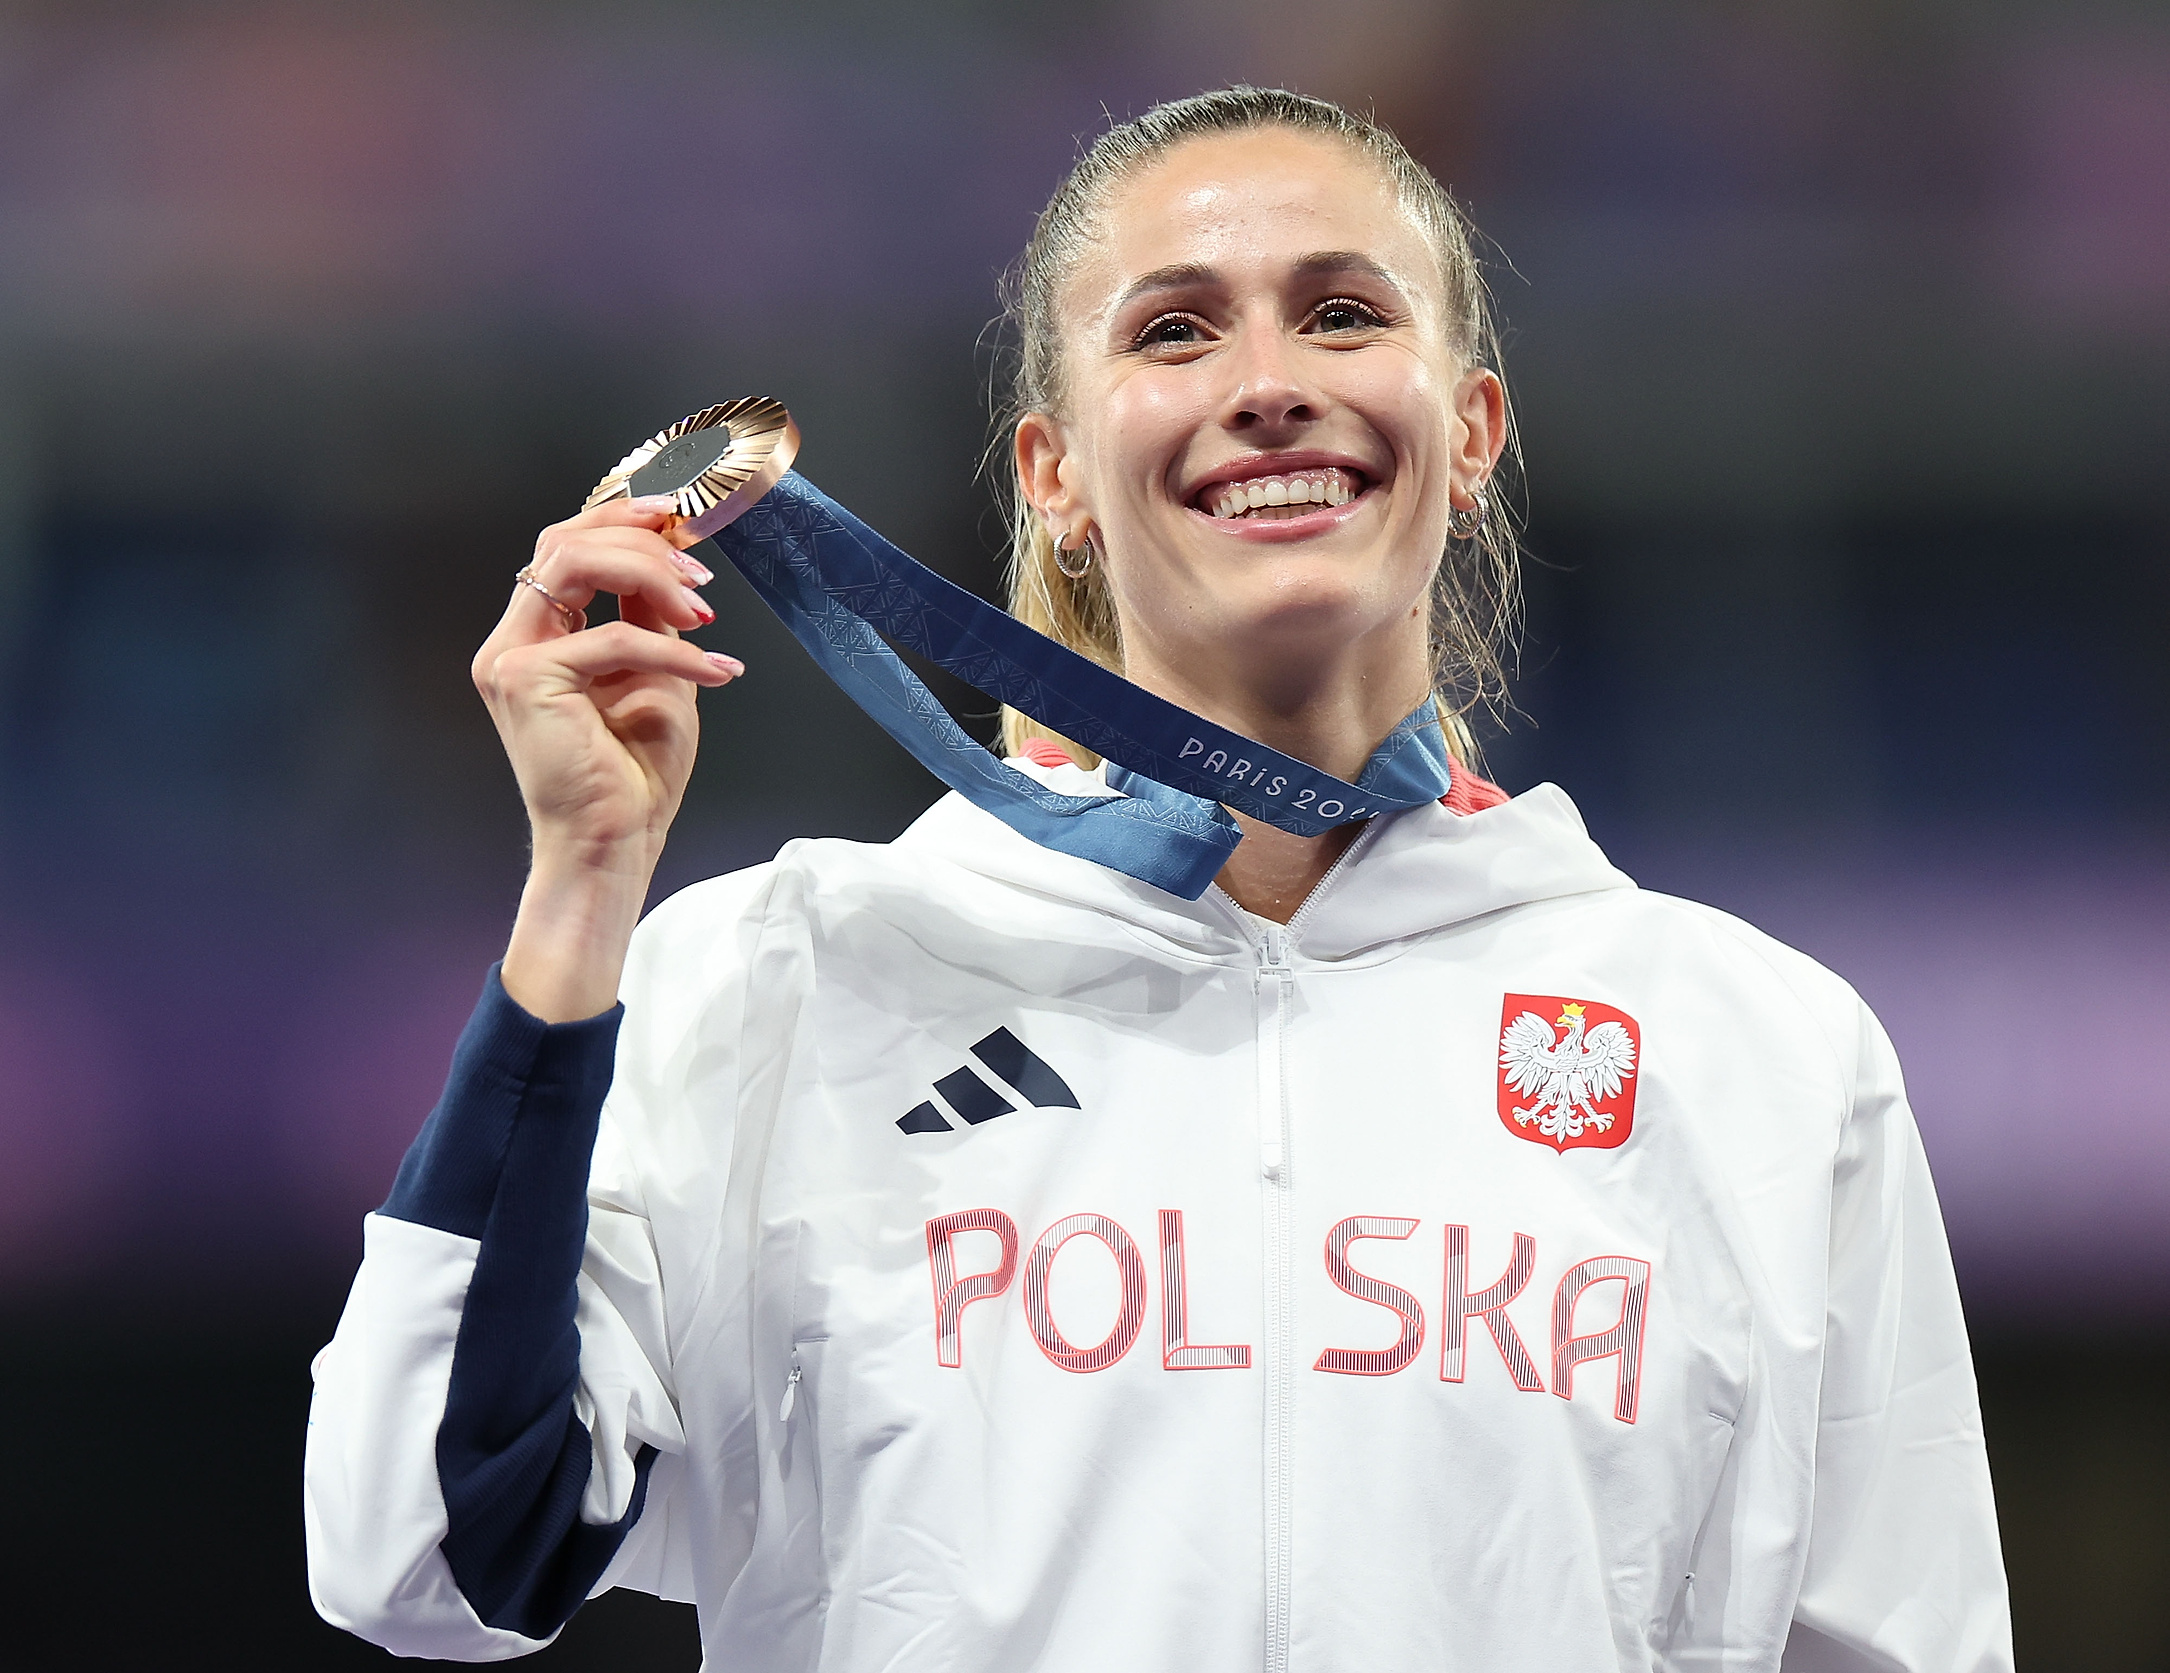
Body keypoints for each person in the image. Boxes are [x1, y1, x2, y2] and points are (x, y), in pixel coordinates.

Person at [303, 88, 2012, 1670]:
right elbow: (425, 1553)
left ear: (1471, 429)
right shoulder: (782, 980)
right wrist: (578, 898)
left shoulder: (1756, 1052)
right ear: (1054, 479)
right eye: (1176, 329)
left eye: (1344, 312)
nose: (1267, 378)